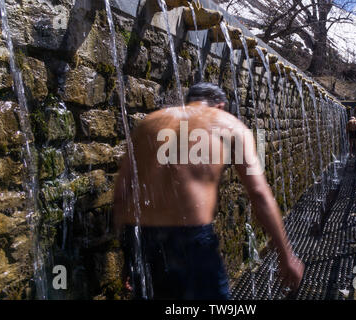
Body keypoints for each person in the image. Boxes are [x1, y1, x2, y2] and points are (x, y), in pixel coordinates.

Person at [113, 82, 304, 300]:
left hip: (141, 238)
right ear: (220, 105)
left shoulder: (149, 123)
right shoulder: (229, 124)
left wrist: (129, 258)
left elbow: (122, 194)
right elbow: (259, 193)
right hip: (190, 241)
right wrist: (285, 254)